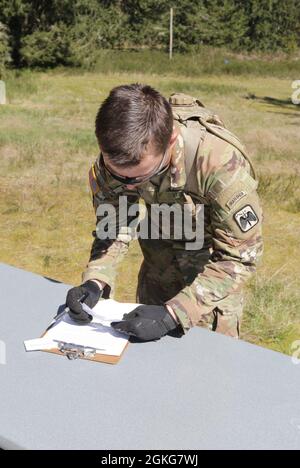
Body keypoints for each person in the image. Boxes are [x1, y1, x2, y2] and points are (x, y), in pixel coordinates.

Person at [66, 84, 263, 342]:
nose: (127, 185)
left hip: (208, 298)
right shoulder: (118, 157)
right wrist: (96, 279)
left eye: (140, 177)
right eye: (118, 175)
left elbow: (239, 259)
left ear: (169, 141)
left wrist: (174, 313)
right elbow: (113, 225)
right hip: (154, 281)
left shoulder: (219, 165)